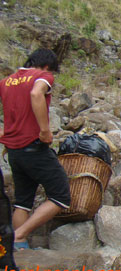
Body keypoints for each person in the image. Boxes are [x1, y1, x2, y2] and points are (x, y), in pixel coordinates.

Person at [0, 49, 71, 251]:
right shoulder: (42, 76)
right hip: (34, 147)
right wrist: (45, 131)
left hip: (13, 150)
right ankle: (19, 235)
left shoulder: (7, 81)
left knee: (23, 201)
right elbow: (36, 93)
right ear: (48, 66)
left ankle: (20, 248)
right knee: (61, 196)